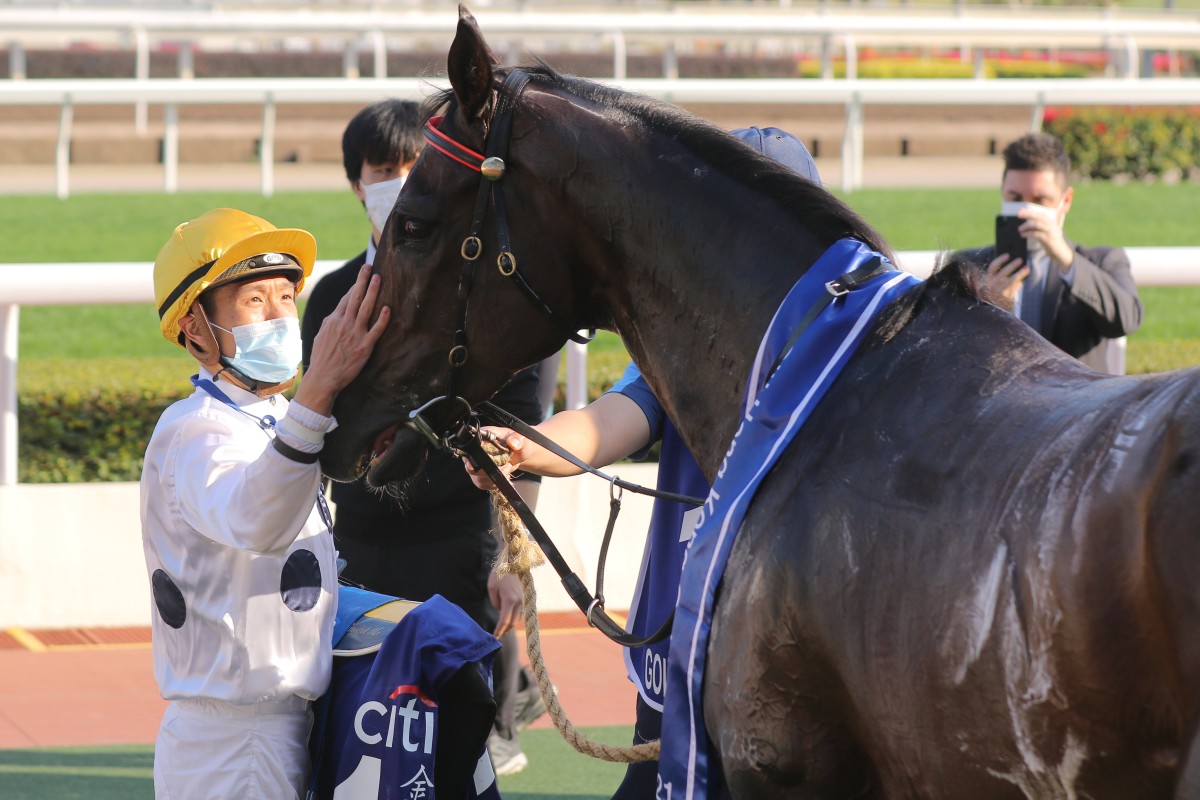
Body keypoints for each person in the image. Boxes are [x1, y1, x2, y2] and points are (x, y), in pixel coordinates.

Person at [464, 126, 822, 800]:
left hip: (789, 658)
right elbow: (616, 419)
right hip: (682, 652)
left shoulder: (842, 347)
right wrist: (529, 446)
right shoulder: (685, 340)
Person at [299, 97, 547, 778]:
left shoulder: (485, 290)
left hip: (458, 545)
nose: (403, 180)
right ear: (358, 182)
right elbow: (315, 421)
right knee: (359, 738)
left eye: (419, 165)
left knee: (459, 746)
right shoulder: (331, 297)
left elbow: (522, 425)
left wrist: (510, 557)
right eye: (386, 168)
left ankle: (507, 706)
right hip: (357, 545)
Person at [142, 207, 389, 798]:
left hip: (276, 725)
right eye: (255, 301)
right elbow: (256, 519)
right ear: (195, 328)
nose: (280, 316)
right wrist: (321, 389)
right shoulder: (195, 429)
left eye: (286, 297)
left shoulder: (272, 416)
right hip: (232, 738)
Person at [956, 131, 1143, 375]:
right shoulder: (969, 265)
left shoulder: (1101, 261)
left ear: (1065, 201)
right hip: (998, 405)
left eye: (1040, 200)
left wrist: (1068, 261)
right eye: (1015, 198)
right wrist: (991, 308)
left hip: (1074, 406)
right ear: (1002, 192)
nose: (1025, 210)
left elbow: (1126, 320)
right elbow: (947, 349)